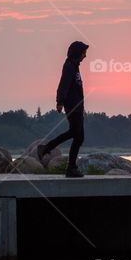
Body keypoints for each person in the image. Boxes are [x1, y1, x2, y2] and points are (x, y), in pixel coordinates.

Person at [38, 41, 89, 178]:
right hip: (72, 106)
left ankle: (71, 168)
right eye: (83, 53)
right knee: (75, 133)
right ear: (77, 53)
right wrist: (59, 101)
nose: (85, 56)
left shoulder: (75, 66)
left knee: (79, 137)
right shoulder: (69, 67)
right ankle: (47, 148)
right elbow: (63, 84)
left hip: (78, 107)